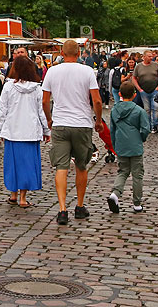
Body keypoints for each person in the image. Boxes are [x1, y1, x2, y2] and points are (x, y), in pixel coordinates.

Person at [42, 39, 105, 225]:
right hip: (82, 123)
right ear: (79, 53)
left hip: (60, 123)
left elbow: (45, 101)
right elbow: (97, 100)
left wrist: (49, 118)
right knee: (81, 165)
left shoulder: (52, 71)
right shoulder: (87, 71)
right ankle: (79, 206)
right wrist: (99, 121)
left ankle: (62, 209)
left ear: (62, 52)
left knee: (61, 167)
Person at [0, 56, 49, 208]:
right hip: (30, 132)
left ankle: (13, 194)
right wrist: (46, 129)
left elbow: (2, 110)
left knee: (13, 165)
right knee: (27, 165)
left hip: (12, 131)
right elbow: (41, 111)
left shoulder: (8, 87)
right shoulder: (37, 89)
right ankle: (23, 198)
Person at [107, 82, 150, 213]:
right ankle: (137, 203)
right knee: (137, 175)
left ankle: (115, 193)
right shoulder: (139, 111)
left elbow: (112, 130)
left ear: (119, 94)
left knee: (123, 171)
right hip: (135, 146)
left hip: (121, 145)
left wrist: (114, 145)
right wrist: (141, 138)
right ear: (134, 94)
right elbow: (145, 129)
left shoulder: (114, 110)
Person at [132, 51, 158, 134]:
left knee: (155, 107)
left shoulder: (155, 65)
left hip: (155, 90)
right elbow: (134, 78)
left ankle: (155, 126)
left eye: (151, 56)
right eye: (149, 56)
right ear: (144, 57)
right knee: (147, 109)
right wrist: (139, 89)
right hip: (143, 91)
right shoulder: (138, 66)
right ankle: (148, 126)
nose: (151, 57)